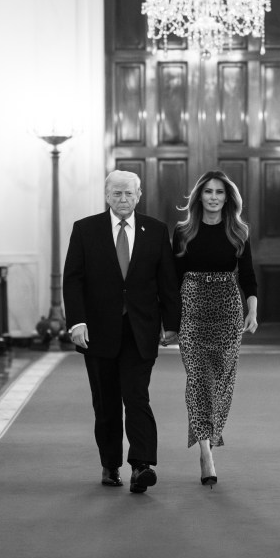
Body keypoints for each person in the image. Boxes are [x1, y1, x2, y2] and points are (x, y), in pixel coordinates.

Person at [63, 170, 181, 493]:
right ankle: (110, 463)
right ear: (107, 195)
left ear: (139, 195)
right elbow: (72, 280)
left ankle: (141, 465)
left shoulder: (156, 231)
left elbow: (168, 282)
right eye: (117, 194)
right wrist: (77, 322)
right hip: (98, 332)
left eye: (129, 194)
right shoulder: (85, 230)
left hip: (140, 330)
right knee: (107, 402)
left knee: (136, 396)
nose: (123, 199)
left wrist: (172, 324)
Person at [172, 171, 258, 487]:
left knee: (221, 382)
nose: (213, 197)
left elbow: (248, 275)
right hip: (192, 310)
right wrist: (170, 322)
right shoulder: (183, 232)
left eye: (219, 192)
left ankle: (209, 433)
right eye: (207, 192)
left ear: (227, 198)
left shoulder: (238, 231)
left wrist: (252, 310)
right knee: (198, 379)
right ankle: (206, 452)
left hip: (227, 310)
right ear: (199, 197)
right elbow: (173, 278)